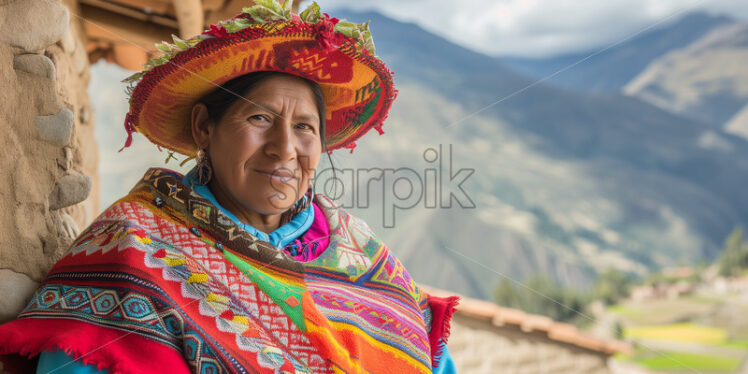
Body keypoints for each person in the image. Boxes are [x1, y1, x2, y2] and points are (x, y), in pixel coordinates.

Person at [0, 1, 459, 373]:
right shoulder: (134, 250)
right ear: (204, 127)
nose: (284, 148)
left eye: (305, 127)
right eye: (259, 118)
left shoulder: (365, 257)